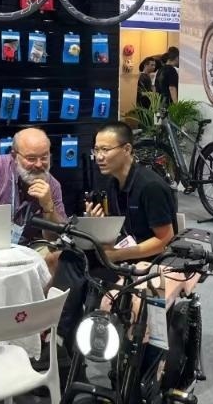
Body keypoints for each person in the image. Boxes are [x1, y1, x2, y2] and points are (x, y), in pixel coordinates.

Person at [53, 121, 178, 347]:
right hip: (123, 252)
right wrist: (98, 223)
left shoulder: (150, 187)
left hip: (149, 261)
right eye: (96, 150)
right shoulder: (112, 183)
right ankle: (62, 334)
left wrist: (117, 255)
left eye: (105, 150)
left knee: (84, 269)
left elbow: (164, 240)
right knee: (71, 257)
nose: (99, 157)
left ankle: (66, 333)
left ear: (127, 149)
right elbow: (120, 228)